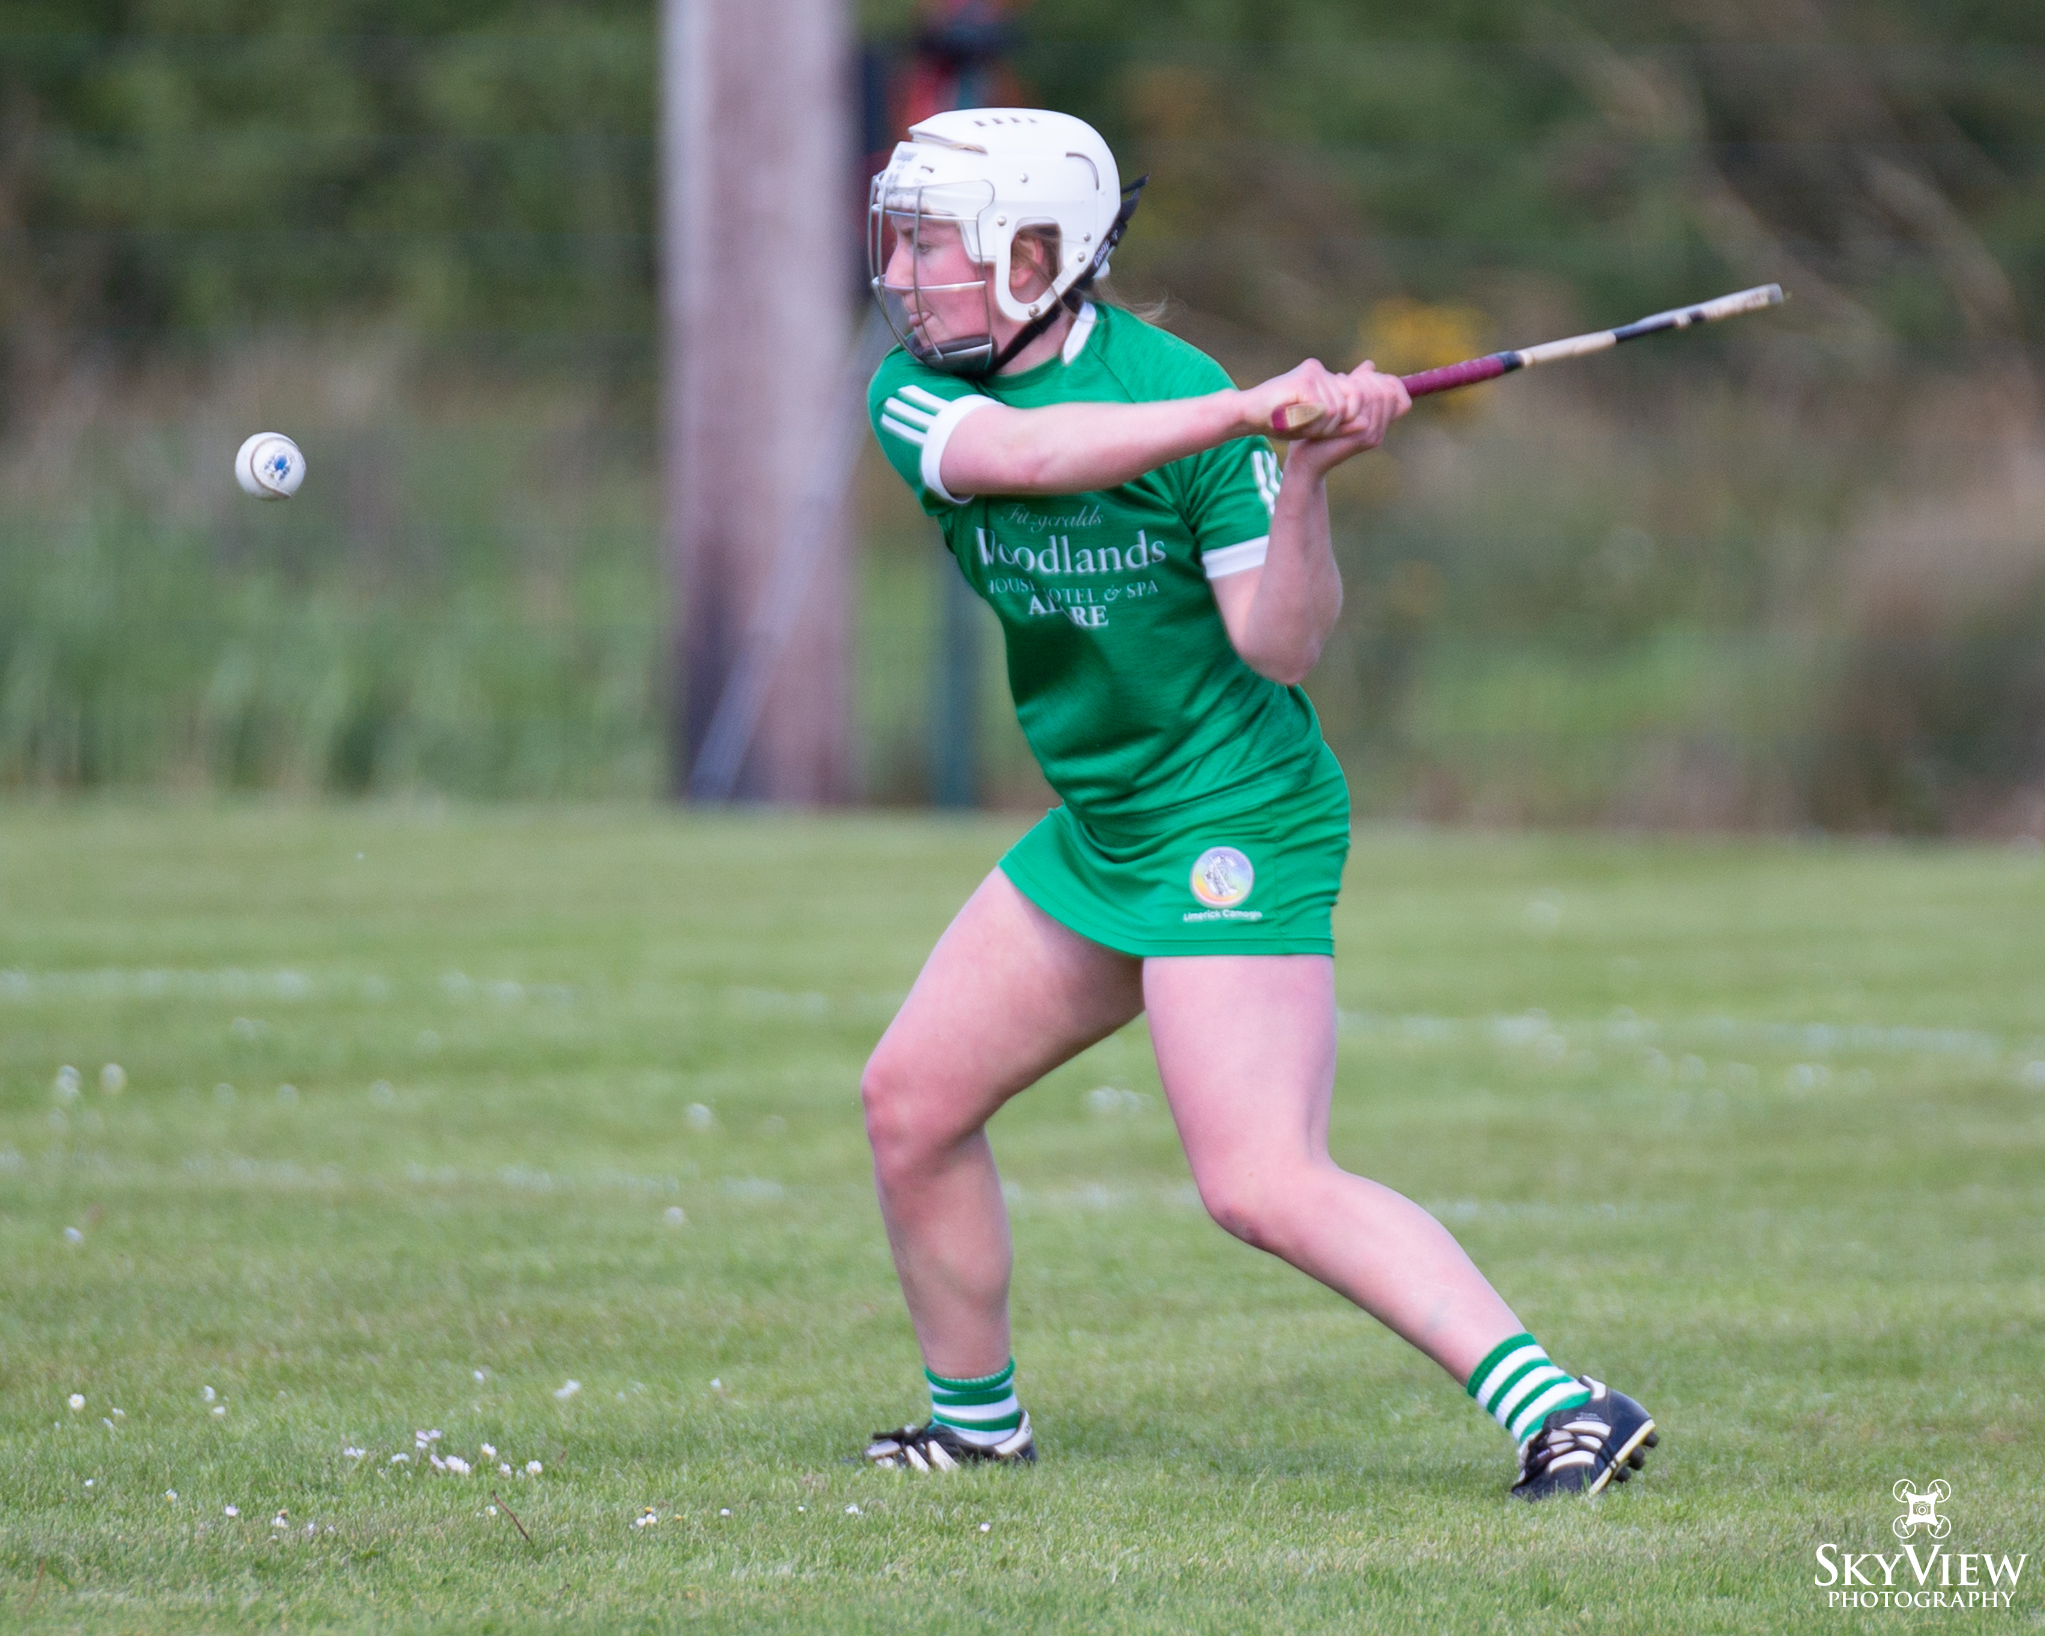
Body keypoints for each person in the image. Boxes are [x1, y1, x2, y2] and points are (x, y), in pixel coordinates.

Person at [857, 107, 1657, 1500]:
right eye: (904, 243)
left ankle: (1566, 1408)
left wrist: (1298, 481)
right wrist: (1241, 413)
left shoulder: (1180, 392)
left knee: (1258, 1182)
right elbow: (1030, 462)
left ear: (1036, 256)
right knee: (911, 1103)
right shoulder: (918, 400)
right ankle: (973, 1427)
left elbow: (1277, 647)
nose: (904, 274)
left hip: (1235, 813)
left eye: (934, 247)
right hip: (1108, 823)